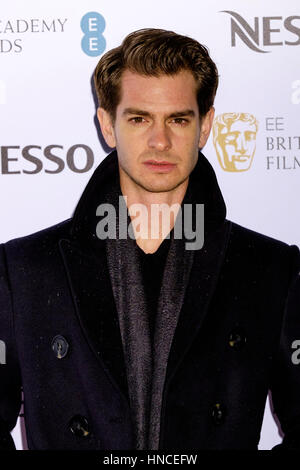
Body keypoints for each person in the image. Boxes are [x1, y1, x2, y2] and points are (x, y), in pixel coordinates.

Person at [0, 28, 300, 451]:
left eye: (178, 119)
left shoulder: (271, 270)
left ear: (206, 125)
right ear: (107, 123)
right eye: (139, 119)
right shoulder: (25, 269)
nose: (160, 141)